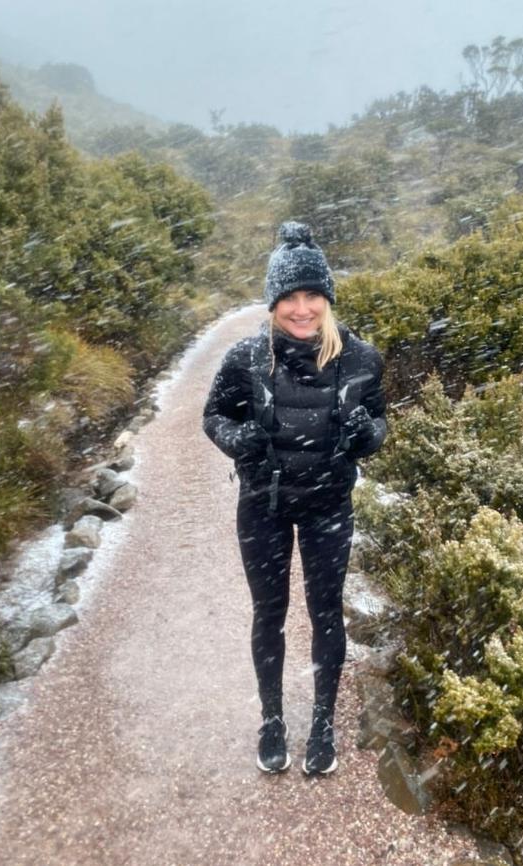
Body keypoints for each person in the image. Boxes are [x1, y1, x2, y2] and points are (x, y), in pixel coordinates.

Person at [203, 221, 387, 775]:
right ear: (273, 301)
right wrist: (241, 441)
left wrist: (364, 435)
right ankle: (272, 719)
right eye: (289, 297)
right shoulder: (246, 359)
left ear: (327, 299)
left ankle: (324, 722)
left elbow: (379, 422)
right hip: (263, 504)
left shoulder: (360, 358)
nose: (302, 308)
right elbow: (213, 416)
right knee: (270, 612)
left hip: (330, 505)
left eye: (312, 296)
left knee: (327, 613)